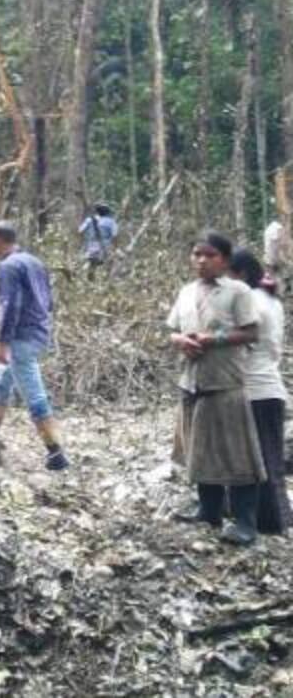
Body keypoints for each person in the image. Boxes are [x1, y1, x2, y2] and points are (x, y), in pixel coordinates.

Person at [168, 231, 266, 545]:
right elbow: (171, 331)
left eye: (209, 255)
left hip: (225, 383)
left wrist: (213, 340)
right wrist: (181, 341)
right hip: (192, 382)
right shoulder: (186, 292)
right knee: (199, 450)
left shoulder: (237, 291)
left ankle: (245, 523)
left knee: (238, 455)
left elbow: (251, 333)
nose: (201, 260)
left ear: (223, 260)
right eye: (196, 254)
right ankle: (208, 511)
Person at [0, 221, 70, 471]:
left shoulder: (9, 266)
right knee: (0, 382)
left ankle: (55, 452)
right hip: (38, 332)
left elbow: (9, 306)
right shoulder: (35, 262)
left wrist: (3, 342)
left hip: (20, 336)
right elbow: (49, 301)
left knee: (32, 390)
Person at [227, 248, 289, 536]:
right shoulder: (270, 299)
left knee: (255, 459)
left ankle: (265, 521)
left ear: (239, 274)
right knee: (270, 458)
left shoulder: (249, 302)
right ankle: (277, 519)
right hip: (271, 385)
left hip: (255, 388)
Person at [78, 202, 118, 278]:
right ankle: (106, 278)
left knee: (91, 262)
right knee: (109, 263)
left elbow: (80, 231)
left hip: (90, 245)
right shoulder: (111, 222)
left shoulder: (89, 220)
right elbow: (115, 236)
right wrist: (115, 249)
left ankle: (87, 276)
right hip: (104, 247)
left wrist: (84, 241)